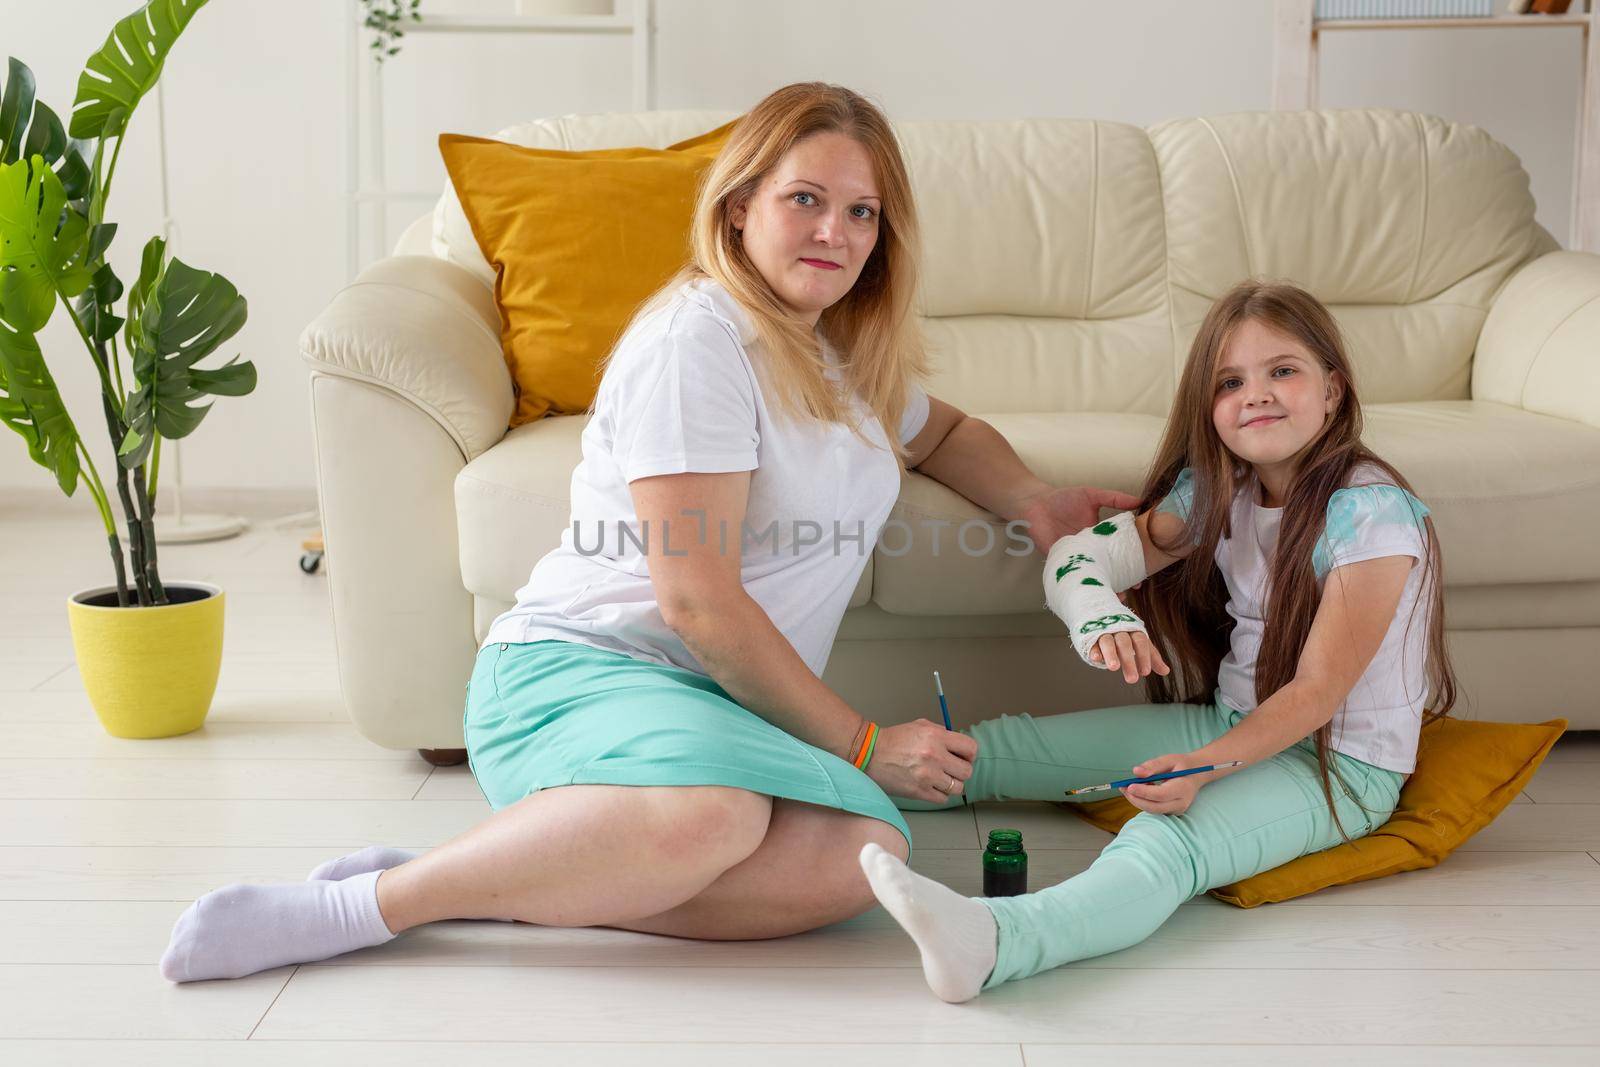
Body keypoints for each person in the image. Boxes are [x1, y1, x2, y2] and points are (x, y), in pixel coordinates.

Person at [157, 82, 1136, 983]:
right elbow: (695, 599)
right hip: (579, 672)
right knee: (714, 815)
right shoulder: (699, 339)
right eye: (806, 198)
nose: (833, 230)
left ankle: (522, 881)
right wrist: (867, 741)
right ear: (740, 203)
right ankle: (367, 903)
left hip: (723, 709)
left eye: (861, 211)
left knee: (862, 860)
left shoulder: (837, 355)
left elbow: (949, 433)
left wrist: (1033, 503)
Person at [859, 279, 1458, 1003]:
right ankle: (814, 788)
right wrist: (1101, 616)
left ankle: (996, 943)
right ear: (1209, 409)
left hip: (1337, 765)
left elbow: (1317, 692)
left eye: (1283, 371)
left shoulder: (1372, 515)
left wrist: (1203, 766)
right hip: (1229, 723)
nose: (1257, 394)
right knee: (1003, 748)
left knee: (1165, 841)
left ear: (1333, 389)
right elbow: (1080, 557)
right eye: (1230, 381)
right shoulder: (1217, 493)